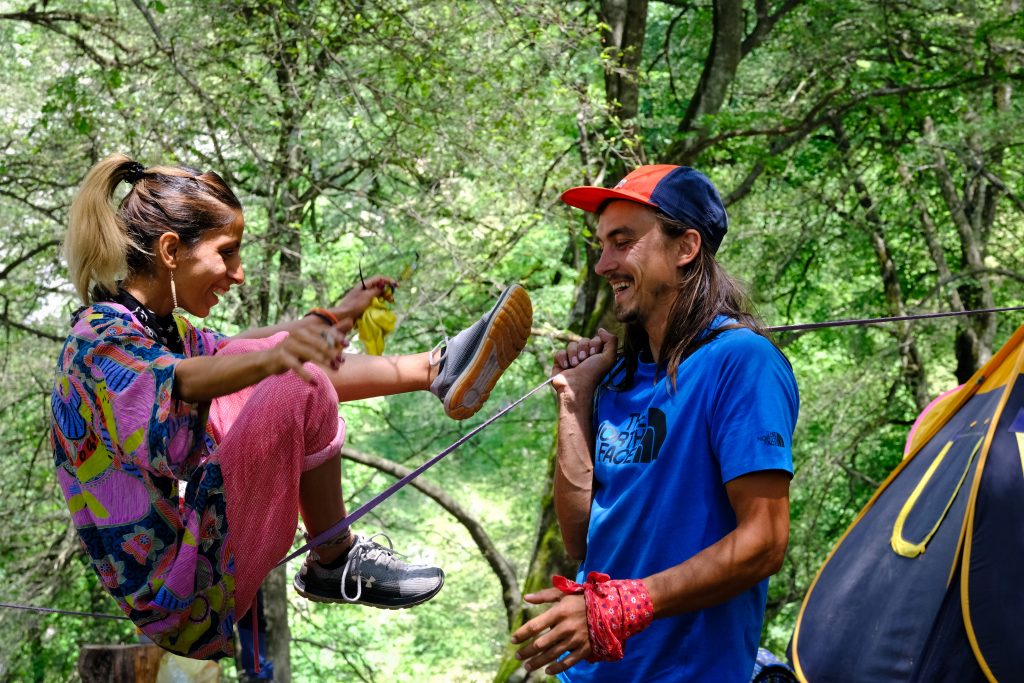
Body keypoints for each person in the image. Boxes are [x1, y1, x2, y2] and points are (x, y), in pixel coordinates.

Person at [50, 154, 533, 659]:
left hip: (201, 558)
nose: (237, 274)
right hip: (186, 594)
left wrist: (319, 322)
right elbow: (185, 381)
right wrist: (284, 356)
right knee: (295, 379)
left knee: (261, 356)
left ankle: (436, 369)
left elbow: (242, 349)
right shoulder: (98, 342)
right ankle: (335, 560)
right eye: (228, 252)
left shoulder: (155, 328)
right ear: (171, 250)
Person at [511, 165, 799, 681]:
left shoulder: (741, 362)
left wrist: (626, 604)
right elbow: (581, 542)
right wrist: (574, 402)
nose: (603, 264)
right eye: (601, 245)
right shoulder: (622, 376)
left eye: (622, 242)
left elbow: (765, 542)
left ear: (685, 247)